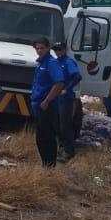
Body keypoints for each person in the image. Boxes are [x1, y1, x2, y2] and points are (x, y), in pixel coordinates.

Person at [30, 37, 65, 167]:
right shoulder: (41, 63)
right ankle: (45, 165)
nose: (39, 50)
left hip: (47, 106)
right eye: (37, 48)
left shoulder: (51, 63)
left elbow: (59, 83)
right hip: (38, 105)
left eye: (42, 48)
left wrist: (47, 100)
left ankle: (50, 165)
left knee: (47, 137)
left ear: (48, 48)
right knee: (40, 137)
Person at [53, 42, 81, 161]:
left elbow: (77, 76)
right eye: (55, 49)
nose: (57, 51)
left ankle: (70, 152)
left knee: (65, 126)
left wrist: (66, 88)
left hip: (66, 98)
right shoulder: (56, 62)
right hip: (56, 97)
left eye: (59, 49)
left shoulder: (68, 62)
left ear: (65, 50)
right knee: (57, 125)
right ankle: (60, 148)